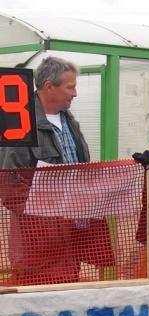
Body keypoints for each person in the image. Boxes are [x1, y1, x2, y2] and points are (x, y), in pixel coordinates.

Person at [0, 56, 112, 285]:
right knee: (37, 298)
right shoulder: (21, 124)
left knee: (68, 290)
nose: (75, 93)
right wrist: (44, 215)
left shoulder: (71, 122)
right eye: (70, 87)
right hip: (38, 240)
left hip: (71, 235)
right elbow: (10, 186)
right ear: (49, 86)